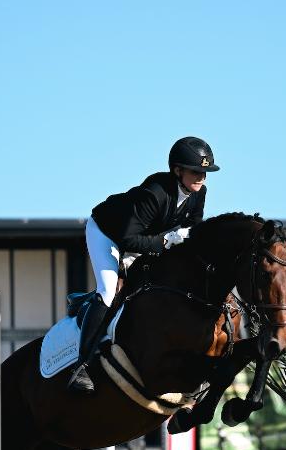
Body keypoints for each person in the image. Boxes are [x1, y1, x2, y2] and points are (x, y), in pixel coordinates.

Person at [68, 136, 220, 393]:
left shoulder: (199, 193)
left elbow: (193, 229)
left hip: (144, 239)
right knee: (108, 293)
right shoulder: (156, 192)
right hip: (108, 233)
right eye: (196, 171)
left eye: (205, 172)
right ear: (177, 170)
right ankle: (82, 366)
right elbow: (128, 238)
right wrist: (165, 241)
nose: (202, 177)